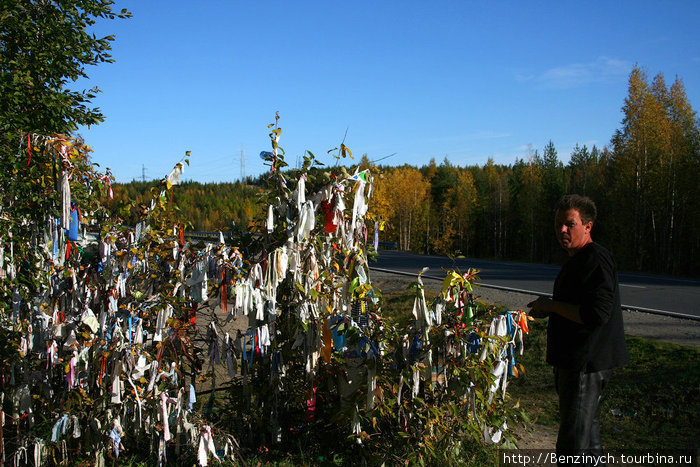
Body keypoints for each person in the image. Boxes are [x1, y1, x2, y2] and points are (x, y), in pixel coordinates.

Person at [528, 194, 628, 463]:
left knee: (572, 445)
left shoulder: (596, 259)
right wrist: (546, 309)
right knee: (588, 439)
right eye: (559, 224)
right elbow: (575, 307)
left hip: (586, 362)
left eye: (569, 224)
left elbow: (597, 314)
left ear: (588, 226)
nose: (562, 230)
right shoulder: (578, 259)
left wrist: (551, 306)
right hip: (575, 362)